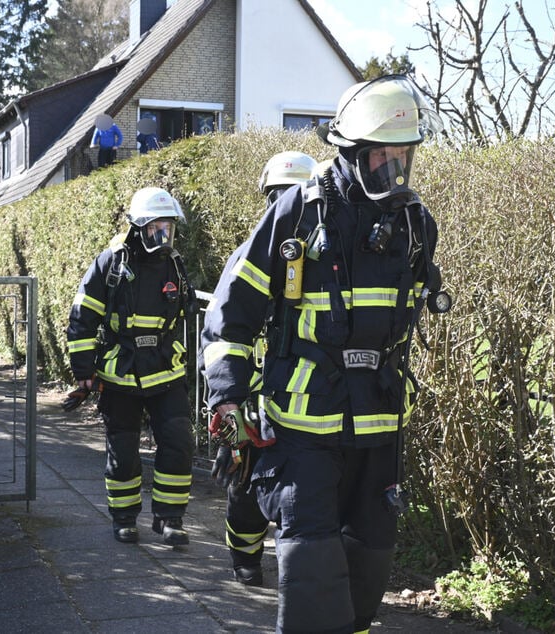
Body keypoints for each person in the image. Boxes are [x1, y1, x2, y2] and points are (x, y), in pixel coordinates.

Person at [199, 74, 447, 633]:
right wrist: (229, 400)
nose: (394, 171)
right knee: (311, 571)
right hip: (303, 429)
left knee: (368, 568)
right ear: (350, 152)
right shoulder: (297, 214)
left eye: (402, 158)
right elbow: (230, 316)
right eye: (381, 157)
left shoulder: (415, 225)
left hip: (379, 427)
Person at [208, 150, 317, 587]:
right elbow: (222, 328)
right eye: (278, 197)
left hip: (303, 395)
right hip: (252, 397)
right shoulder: (247, 256)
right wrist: (227, 398)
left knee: (302, 489)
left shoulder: (329, 258)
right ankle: (245, 558)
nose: (285, 207)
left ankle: (303, 569)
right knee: (243, 482)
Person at [67, 186, 198, 546]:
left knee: (179, 442)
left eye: (168, 228)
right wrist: (84, 372)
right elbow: (82, 318)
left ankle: (170, 518)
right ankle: (124, 518)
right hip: (120, 373)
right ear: (138, 228)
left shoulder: (174, 263)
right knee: (123, 453)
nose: (163, 236)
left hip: (165, 370)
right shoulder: (110, 263)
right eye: (155, 228)